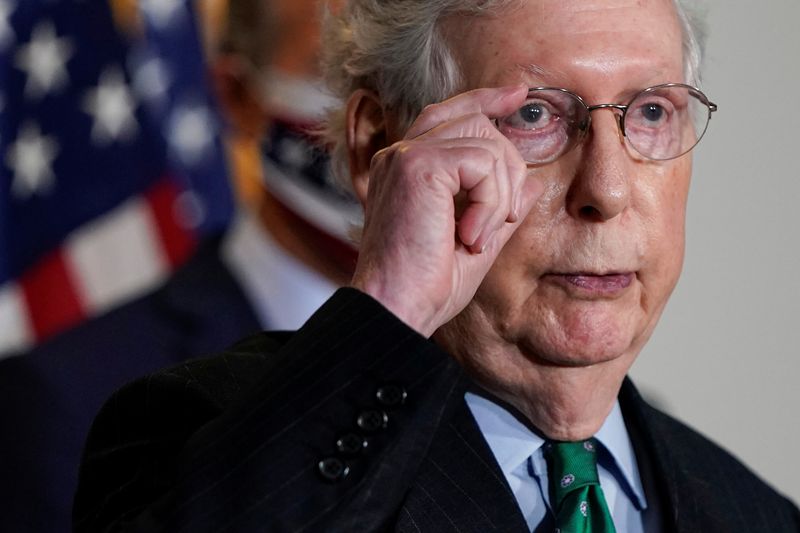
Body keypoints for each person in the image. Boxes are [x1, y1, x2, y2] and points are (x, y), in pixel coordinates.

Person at [73, 0, 800, 531]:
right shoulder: (198, 433)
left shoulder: (758, 514)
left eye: (649, 112)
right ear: (373, 149)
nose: (606, 191)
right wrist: (389, 301)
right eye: (536, 115)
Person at [0, 1, 355, 532]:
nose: (385, 119)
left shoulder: (491, 351)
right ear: (237, 96)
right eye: (340, 74)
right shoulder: (67, 398)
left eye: (405, 70)